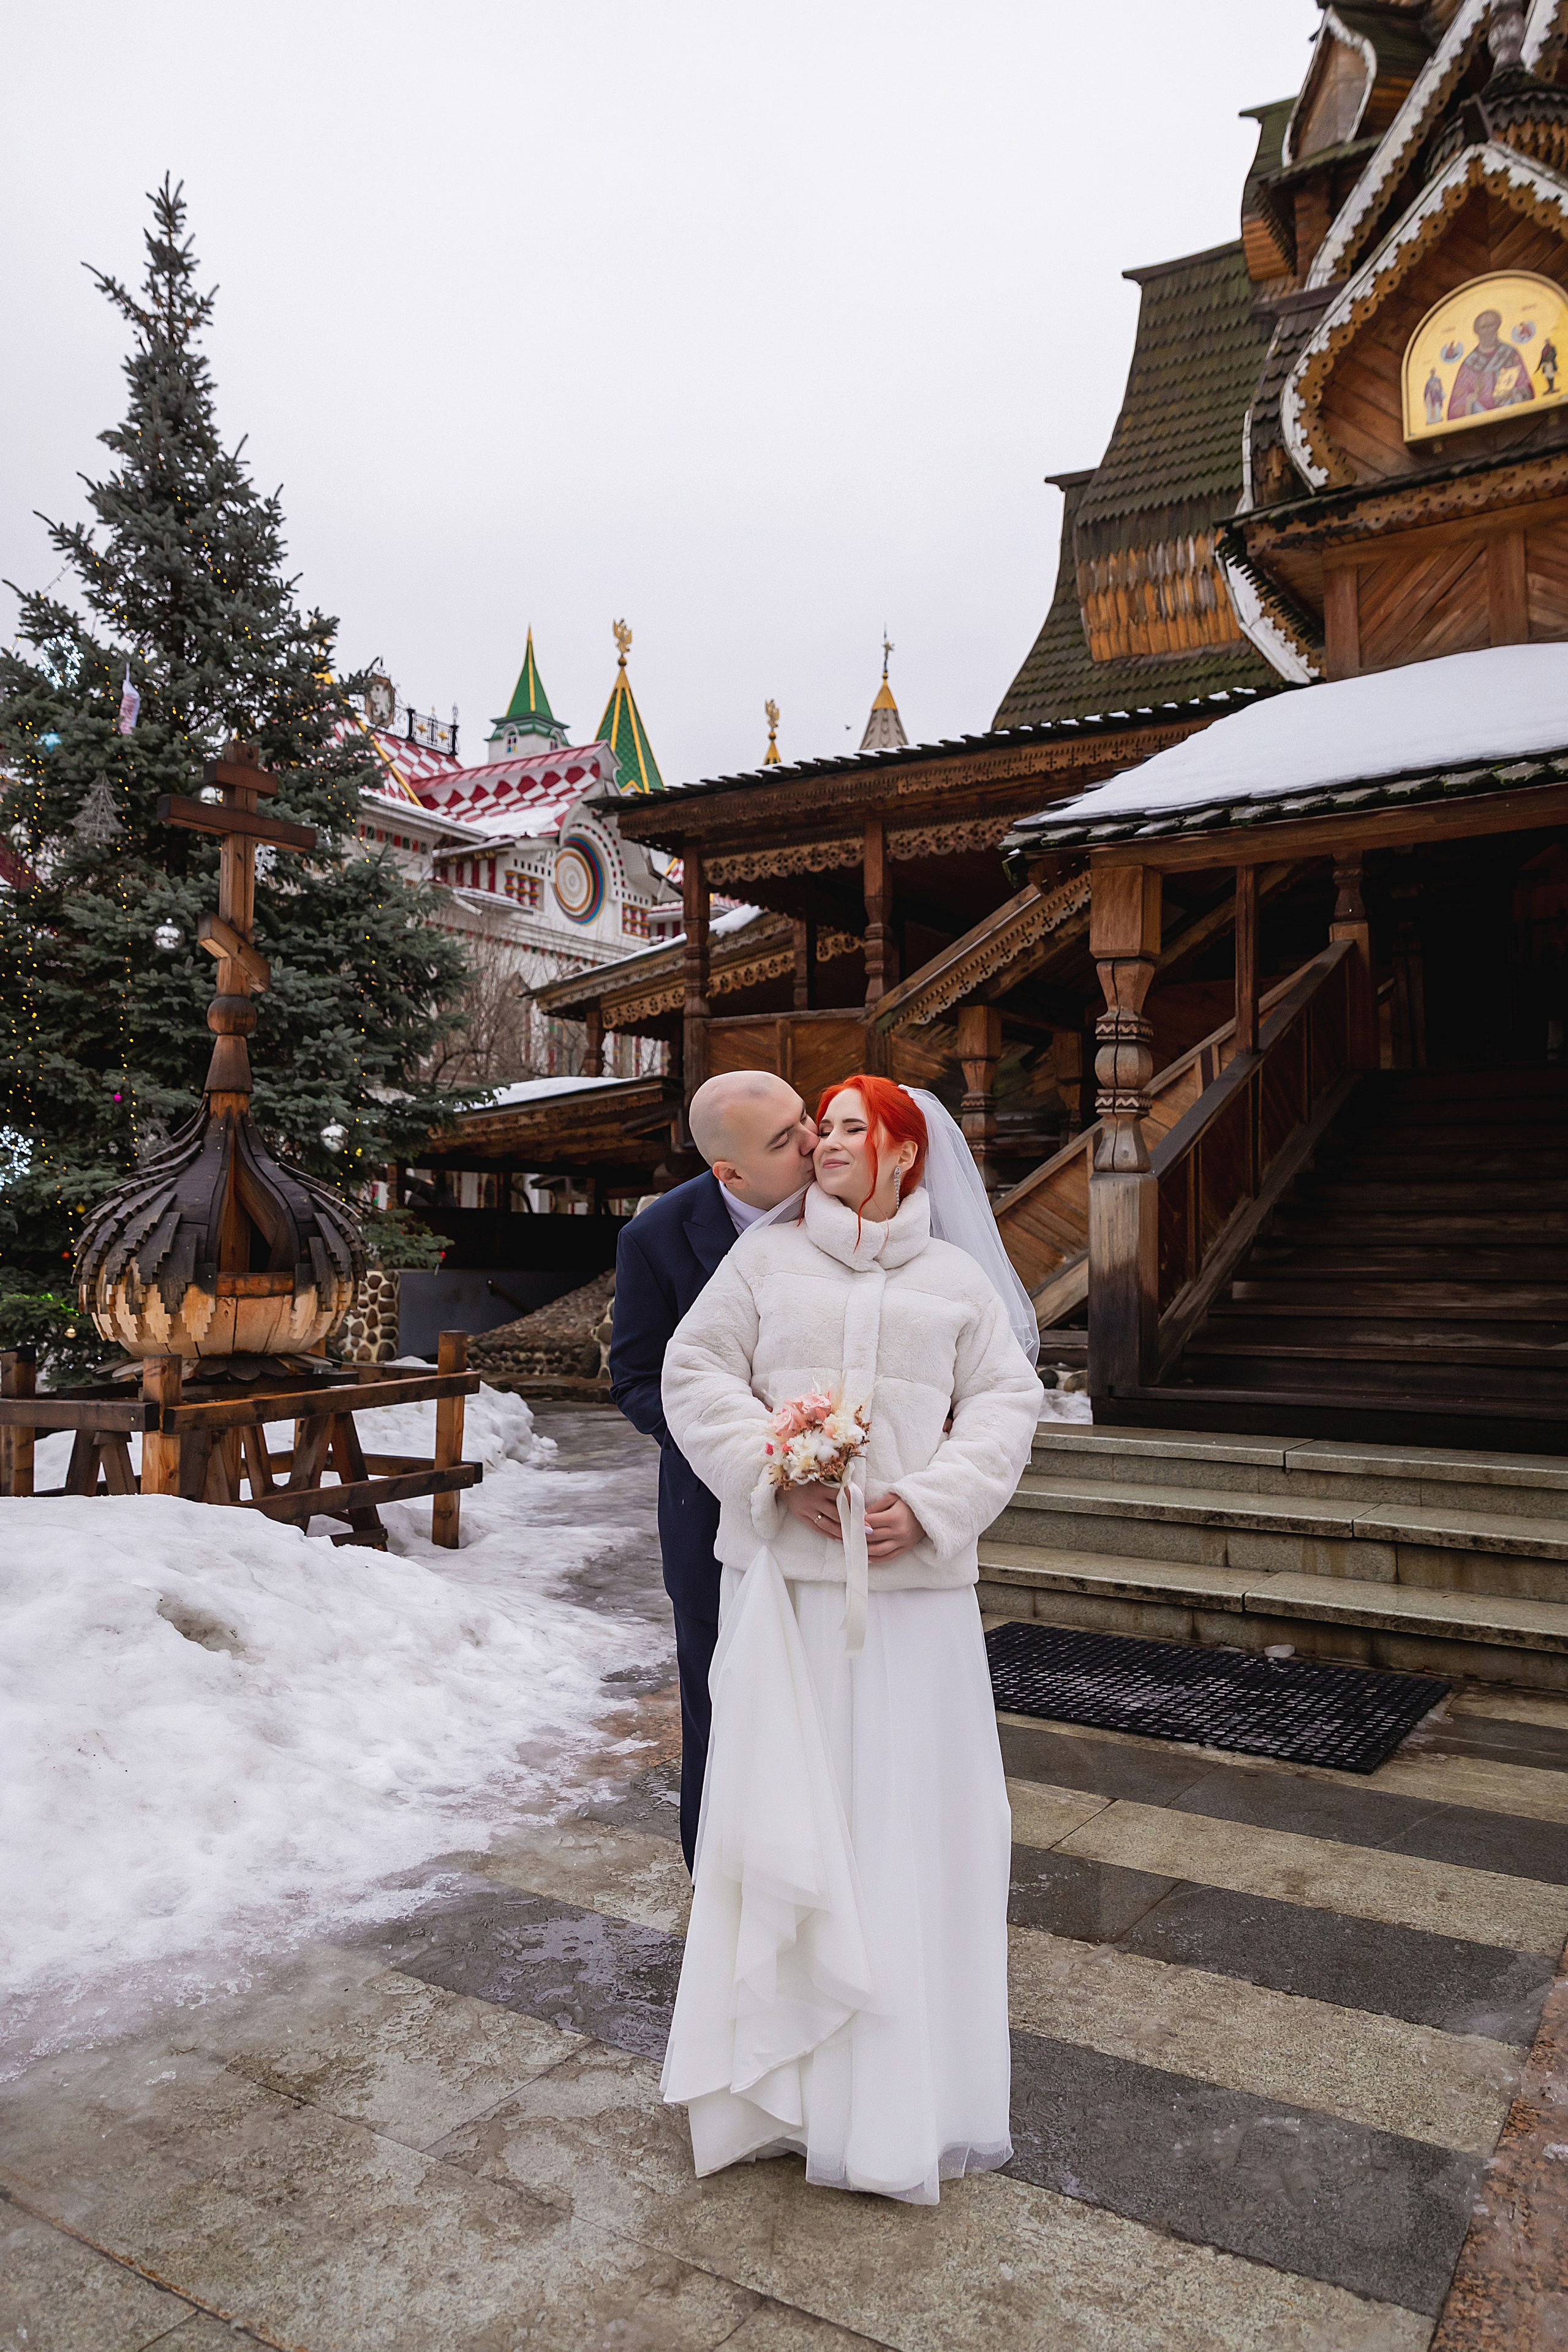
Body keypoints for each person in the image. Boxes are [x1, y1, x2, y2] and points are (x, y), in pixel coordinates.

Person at [658, 1076, 1043, 2204]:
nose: (825, 1142)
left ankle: (903, 2100)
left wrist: (927, 1505)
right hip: (792, 1602)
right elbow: (693, 1374)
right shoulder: (765, 1264)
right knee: (792, 1823)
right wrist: (774, 1475)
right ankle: (783, 2093)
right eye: (815, 1127)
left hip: (916, 1613)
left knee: (909, 1830)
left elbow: (1007, 1410)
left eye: (848, 1127)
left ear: (906, 1153)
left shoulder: (958, 1281)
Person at [609, 1069, 818, 1869]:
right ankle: (718, 1877)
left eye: (806, 1118)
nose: (812, 1142)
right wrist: (746, 1452)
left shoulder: (846, 1201)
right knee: (719, 1696)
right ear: (729, 1172)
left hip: (837, 1511)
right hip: (712, 1516)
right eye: (783, 1140)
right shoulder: (656, 1239)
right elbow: (634, 1378)